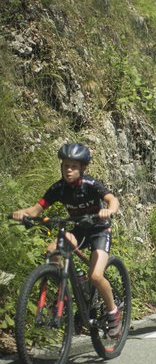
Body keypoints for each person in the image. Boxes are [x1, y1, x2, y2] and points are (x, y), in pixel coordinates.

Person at [11, 143, 122, 338]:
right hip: (78, 229)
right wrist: (20, 213)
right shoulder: (58, 188)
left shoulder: (90, 184)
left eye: (74, 166)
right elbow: (36, 210)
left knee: (96, 276)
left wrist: (109, 210)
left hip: (99, 230)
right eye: (65, 166)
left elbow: (112, 199)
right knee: (53, 249)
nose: (69, 170)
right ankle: (73, 280)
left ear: (82, 168)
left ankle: (113, 312)